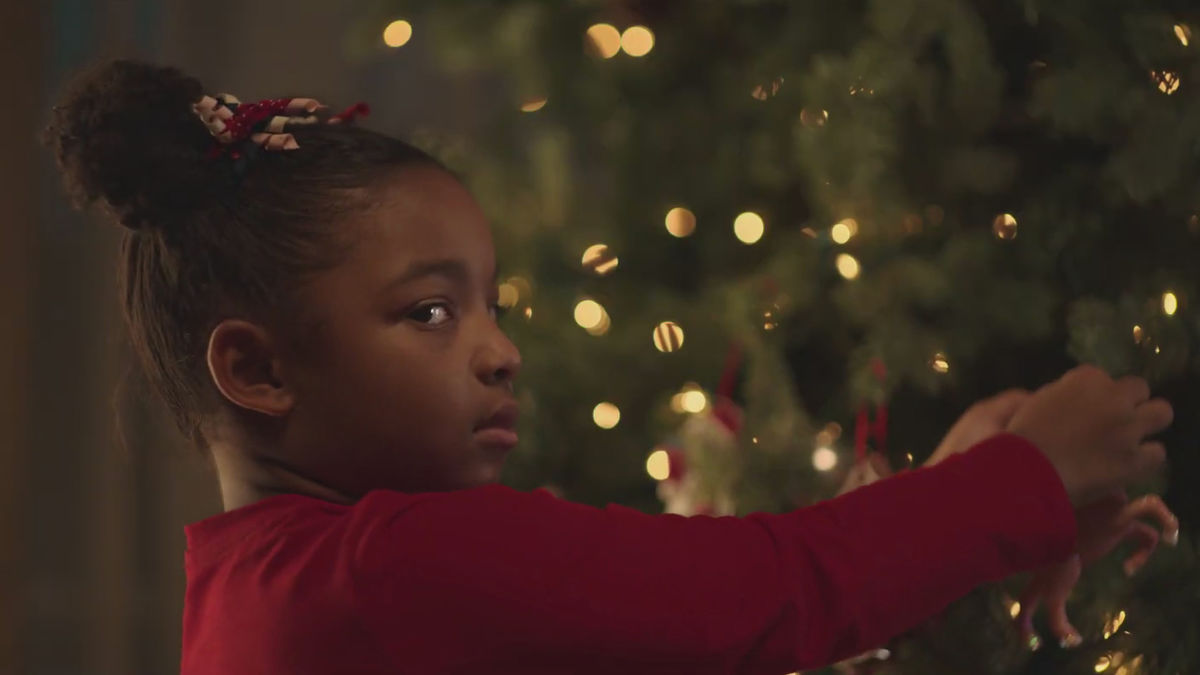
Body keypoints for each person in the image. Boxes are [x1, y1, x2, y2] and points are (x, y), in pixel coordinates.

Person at [44, 59, 1178, 675]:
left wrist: (946, 501)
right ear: (257, 369)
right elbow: (764, 595)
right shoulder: (391, 566)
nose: (500, 350)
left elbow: (688, 622)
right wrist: (1025, 477)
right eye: (431, 312)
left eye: (494, 306)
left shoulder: (255, 590)